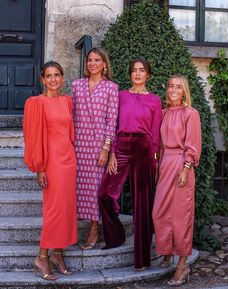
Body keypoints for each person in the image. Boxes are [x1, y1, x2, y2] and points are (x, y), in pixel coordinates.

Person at [99, 57, 162, 270]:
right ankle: (115, 237)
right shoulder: (120, 96)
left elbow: (154, 134)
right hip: (122, 146)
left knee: (142, 204)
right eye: (134, 70)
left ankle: (142, 259)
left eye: (141, 70)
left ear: (148, 75)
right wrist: (113, 153)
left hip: (144, 148)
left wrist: (155, 160)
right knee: (104, 194)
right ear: (129, 74)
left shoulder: (155, 100)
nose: (137, 74)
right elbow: (113, 124)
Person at [23, 61, 77, 281]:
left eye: (57, 75)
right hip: (51, 161)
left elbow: (70, 132)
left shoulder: (67, 101)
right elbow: (33, 138)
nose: (53, 79)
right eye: (49, 76)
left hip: (68, 160)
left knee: (65, 209)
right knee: (53, 211)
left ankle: (57, 253)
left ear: (62, 78)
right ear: (42, 80)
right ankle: (42, 256)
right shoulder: (36, 103)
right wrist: (40, 167)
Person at [152, 74, 202, 286]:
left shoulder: (190, 114)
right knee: (160, 212)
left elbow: (193, 144)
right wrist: (157, 168)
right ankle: (166, 252)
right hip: (165, 165)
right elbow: (160, 146)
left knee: (181, 215)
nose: (173, 90)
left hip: (182, 164)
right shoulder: (163, 113)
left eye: (178, 87)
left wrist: (186, 168)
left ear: (184, 91)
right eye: (171, 86)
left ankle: (182, 265)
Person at [72, 47, 119, 250]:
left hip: (99, 144)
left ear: (104, 64)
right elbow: (71, 116)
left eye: (97, 60)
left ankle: (94, 228)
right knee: (76, 185)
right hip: (78, 143)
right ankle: (70, 229)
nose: (92, 63)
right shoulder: (76, 85)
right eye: (90, 60)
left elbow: (112, 120)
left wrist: (106, 149)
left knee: (94, 187)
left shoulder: (111, 88)